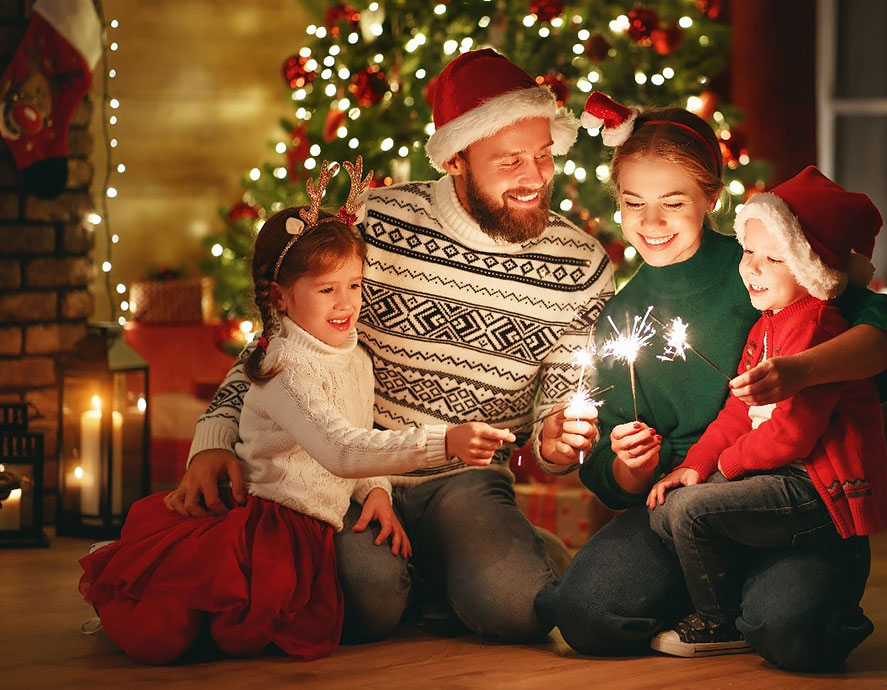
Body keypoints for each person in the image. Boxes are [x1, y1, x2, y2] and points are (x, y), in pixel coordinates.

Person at [165, 49, 614, 643]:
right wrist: (212, 439)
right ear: (455, 157)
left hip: (465, 480)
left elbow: (557, 412)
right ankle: (440, 577)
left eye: (542, 155)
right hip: (353, 472)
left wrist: (556, 441)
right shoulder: (372, 222)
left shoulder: (581, 265)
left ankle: (486, 564)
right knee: (368, 607)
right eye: (510, 162)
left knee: (517, 613)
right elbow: (278, 343)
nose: (534, 177)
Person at [534, 93, 887, 671]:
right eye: (632, 203)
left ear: (711, 198)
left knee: (795, 634)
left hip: (785, 497)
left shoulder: (766, 263)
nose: (651, 222)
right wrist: (628, 466)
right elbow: (606, 469)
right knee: (588, 616)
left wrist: (805, 369)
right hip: (680, 500)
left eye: (673, 202)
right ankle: (717, 599)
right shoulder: (621, 315)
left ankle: (767, 602)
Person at [79, 161, 514, 664]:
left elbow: (357, 434)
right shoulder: (284, 365)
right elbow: (341, 448)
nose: (345, 303)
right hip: (272, 523)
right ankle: (133, 585)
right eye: (326, 289)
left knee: (290, 627)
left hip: (316, 526)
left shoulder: (353, 356)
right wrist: (444, 439)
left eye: (354, 284)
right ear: (281, 297)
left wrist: (375, 489)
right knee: (195, 634)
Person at [647, 165, 887, 658]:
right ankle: (734, 591)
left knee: (693, 511)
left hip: (815, 488)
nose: (752, 267)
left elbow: (793, 435)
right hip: (774, 474)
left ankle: (720, 623)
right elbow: (738, 413)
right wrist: (695, 465)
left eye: (773, 258)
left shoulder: (818, 327)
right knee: (669, 510)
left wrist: (725, 470)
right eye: (749, 251)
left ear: (813, 270)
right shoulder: (767, 324)